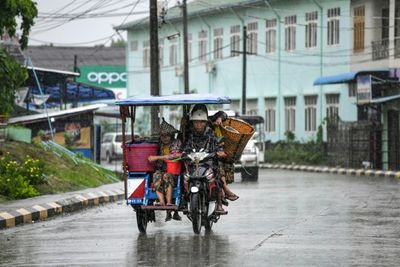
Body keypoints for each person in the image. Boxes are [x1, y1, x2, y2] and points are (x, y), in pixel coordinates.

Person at [184, 104, 227, 214]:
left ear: (205, 121)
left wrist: (219, 151)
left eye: (201, 122)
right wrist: (183, 153)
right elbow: (186, 147)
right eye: (196, 122)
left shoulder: (211, 134)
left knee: (217, 177)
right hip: (194, 163)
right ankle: (184, 200)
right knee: (183, 176)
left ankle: (218, 203)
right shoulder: (190, 133)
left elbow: (218, 144)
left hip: (209, 162)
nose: (198, 125)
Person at [148, 118, 182, 222]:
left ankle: (169, 203)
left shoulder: (176, 142)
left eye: (167, 135)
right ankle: (162, 202)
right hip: (161, 170)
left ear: (171, 135)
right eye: (162, 136)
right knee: (157, 176)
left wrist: (157, 157)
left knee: (167, 176)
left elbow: (172, 156)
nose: (165, 138)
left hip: (173, 171)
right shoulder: (159, 144)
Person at [210, 111, 239, 202]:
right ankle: (225, 190)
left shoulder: (221, 123)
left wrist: (220, 118)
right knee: (219, 167)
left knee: (229, 166)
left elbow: (223, 114)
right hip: (211, 154)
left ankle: (223, 190)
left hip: (222, 151)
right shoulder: (207, 127)